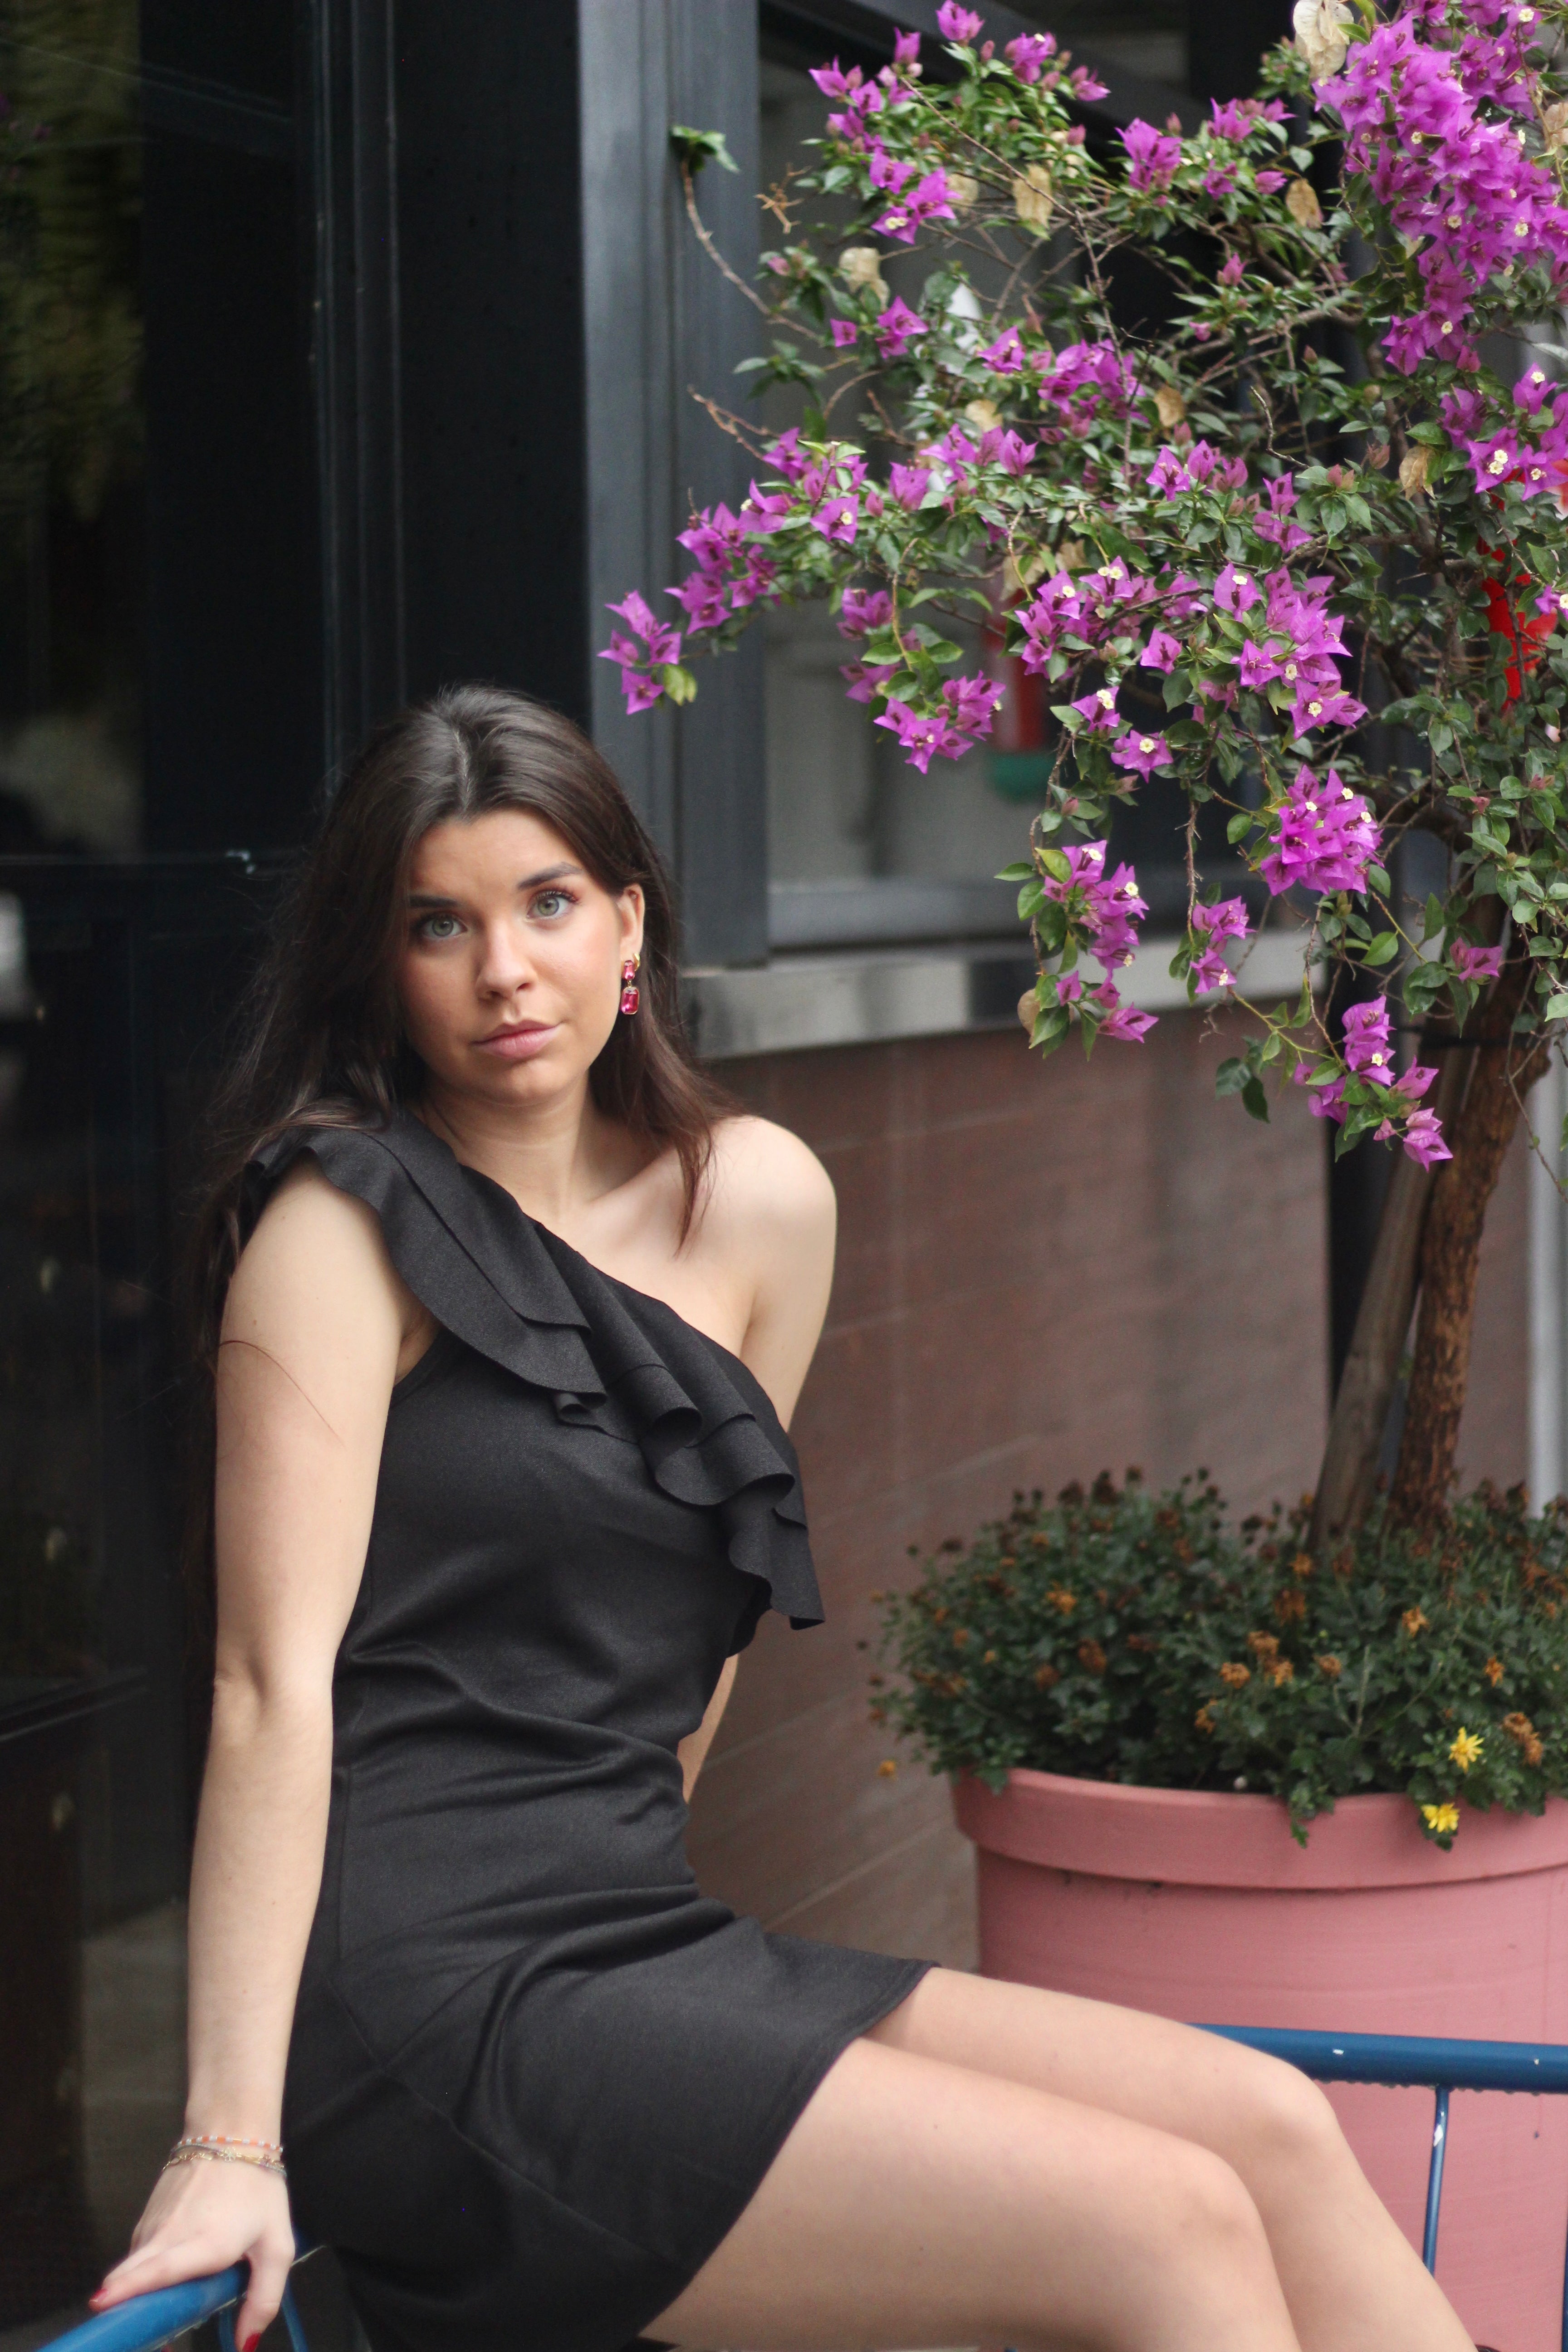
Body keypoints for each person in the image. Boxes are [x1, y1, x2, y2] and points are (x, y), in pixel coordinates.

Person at [92, 686, 1474, 2352]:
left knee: (1270, 2131)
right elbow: (265, 1687)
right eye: (437, 925)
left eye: (545, 903)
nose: (504, 970)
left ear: (629, 923)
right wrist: (228, 2139)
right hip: (423, 1989)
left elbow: (700, 1630)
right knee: (1162, 2225)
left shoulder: (755, 1203)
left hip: (632, 1930)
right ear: (379, 965)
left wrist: (655, 1955)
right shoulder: (337, 1228)